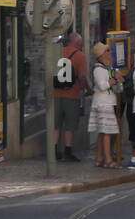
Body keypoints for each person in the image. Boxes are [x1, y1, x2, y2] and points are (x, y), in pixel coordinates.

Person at [52, 32, 86, 163]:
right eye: (81, 43)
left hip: (55, 93)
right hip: (72, 94)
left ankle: (54, 150)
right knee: (70, 125)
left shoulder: (57, 53)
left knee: (55, 124)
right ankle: (68, 150)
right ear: (77, 43)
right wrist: (84, 88)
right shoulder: (80, 56)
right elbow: (82, 77)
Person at [88, 43, 122, 169]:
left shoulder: (109, 68)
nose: (110, 53)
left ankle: (99, 158)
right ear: (101, 55)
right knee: (107, 132)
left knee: (103, 132)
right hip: (103, 103)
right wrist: (115, 79)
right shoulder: (98, 69)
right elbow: (103, 86)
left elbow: (118, 88)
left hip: (108, 102)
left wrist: (118, 80)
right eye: (107, 51)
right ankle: (108, 159)